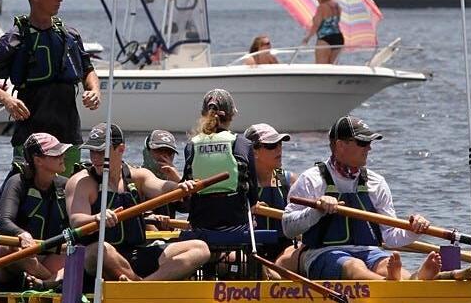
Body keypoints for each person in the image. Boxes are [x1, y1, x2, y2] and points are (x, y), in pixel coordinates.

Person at [281, 116, 441, 281]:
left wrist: (412, 230)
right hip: (322, 253)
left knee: (385, 263)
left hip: (369, 251)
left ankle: (408, 281)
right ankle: (393, 284)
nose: (369, 148)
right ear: (340, 145)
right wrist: (317, 210)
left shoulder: (376, 182)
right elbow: (288, 228)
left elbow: (390, 236)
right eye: (362, 143)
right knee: (354, 266)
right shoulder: (311, 179)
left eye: (370, 143)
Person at [0, 0, 101, 176]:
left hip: (68, 136)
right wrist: (7, 101)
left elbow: (88, 71)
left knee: (68, 196)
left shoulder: (70, 35)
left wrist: (95, 91)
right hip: (31, 138)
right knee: (30, 195)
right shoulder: (14, 39)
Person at [66, 123, 208, 281]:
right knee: (99, 250)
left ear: (120, 149)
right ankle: (137, 285)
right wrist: (96, 218)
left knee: (201, 249)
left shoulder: (138, 176)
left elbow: (162, 187)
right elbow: (76, 221)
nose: (95, 158)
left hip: (136, 253)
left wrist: (180, 186)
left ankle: (141, 286)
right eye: (92, 151)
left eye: (101, 152)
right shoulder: (81, 182)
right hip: (101, 259)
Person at [181, 89, 259, 266]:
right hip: (237, 225)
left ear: (203, 114)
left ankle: (208, 269)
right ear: (232, 114)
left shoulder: (191, 146)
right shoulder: (243, 144)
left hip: (201, 225)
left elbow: (185, 196)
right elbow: (253, 198)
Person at [0, 132, 72, 289]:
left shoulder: (66, 185)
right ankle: (50, 281)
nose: (62, 156)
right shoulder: (17, 183)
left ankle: (43, 283)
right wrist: (22, 234)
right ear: (37, 160)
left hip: (51, 253)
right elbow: (4, 221)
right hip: (23, 254)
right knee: (10, 251)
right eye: (55, 154)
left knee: (78, 255)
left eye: (62, 152)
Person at [242, 123, 299, 276]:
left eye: (280, 144)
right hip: (249, 247)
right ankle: (269, 273)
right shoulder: (240, 183)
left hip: (284, 248)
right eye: (272, 146)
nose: (279, 149)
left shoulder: (289, 181)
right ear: (254, 151)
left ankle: (272, 272)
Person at [305, 0, 343, 64]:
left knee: (321, 66)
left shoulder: (321, 7)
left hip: (325, 38)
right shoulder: (337, 6)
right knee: (333, 67)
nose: (316, 0)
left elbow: (316, 25)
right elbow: (335, 21)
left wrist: (307, 38)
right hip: (338, 38)